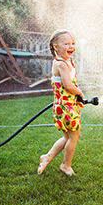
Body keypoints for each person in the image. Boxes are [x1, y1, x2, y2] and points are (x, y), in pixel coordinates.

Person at [38, 29, 85, 176]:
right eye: (66, 44)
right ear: (56, 47)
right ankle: (66, 165)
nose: (71, 46)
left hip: (63, 106)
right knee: (74, 136)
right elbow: (68, 85)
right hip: (66, 107)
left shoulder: (64, 61)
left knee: (67, 137)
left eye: (73, 43)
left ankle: (47, 157)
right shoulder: (62, 64)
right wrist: (80, 92)